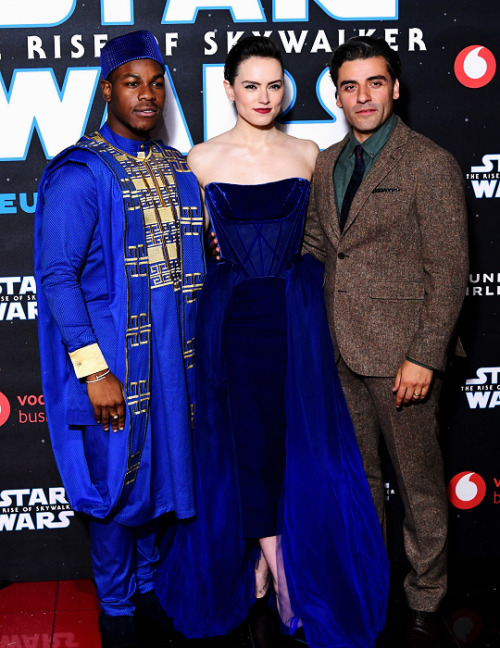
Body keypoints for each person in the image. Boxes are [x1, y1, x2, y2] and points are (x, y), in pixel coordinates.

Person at [155, 35, 389, 648]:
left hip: (297, 314)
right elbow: (186, 251)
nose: (264, 96)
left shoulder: (311, 152)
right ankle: (283, 571)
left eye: (275, 84)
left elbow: (334, 241)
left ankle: (270, 558)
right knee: (246, 441)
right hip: (231, 318)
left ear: (287, 90)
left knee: (295, 441)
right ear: (228, 89)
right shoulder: (198, 160)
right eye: (251, 85)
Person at [34, 30, 205, 648]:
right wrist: (93, 369)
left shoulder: (174, 166)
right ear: (107, 89)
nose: (148, 95)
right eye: (132, 82)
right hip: (113, 365)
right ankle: (116, 609)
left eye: (156, 83)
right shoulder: (81, 172)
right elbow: (56, 276)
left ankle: (152, 593)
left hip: (173, 362)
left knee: (165, 480)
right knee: (116, 488)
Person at [302, 36, 469, 647]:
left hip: (403, 359)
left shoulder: (430, 162)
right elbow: (323, 246)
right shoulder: (326, 162)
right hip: (339, 350)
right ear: (337, 95)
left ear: (394, 88)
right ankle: (370, 581)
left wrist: (424, 354)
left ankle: (426, 596)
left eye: (374, 83)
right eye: (350, 86)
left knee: (419, 482)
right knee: (361, 481)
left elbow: (449, 271)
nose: (362, 95)